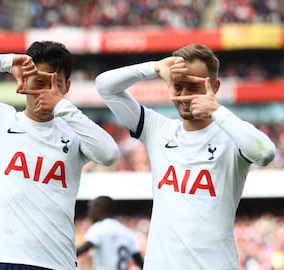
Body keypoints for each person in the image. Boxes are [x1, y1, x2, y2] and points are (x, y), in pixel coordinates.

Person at [0, 40, 119, 270]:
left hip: (57, 262)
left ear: (67, 87)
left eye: (55, 85)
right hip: (3, 258)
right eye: (39, 82)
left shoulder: (74, 132)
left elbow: (110, 154)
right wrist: (6, 61)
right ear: (24, 81)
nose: (45, 92)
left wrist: (62, 106)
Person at [95, 43, 276, 269]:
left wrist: (216, 111)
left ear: (215, 87)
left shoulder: (231, 135)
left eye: (194, 86)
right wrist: (154, 68)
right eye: (178, 86)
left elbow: (265, 153)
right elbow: (105, 87)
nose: (185, 95)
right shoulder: (157, 129)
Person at [76, 196, 144, 270]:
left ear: (100, 208)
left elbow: (80, 251)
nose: (89, 213)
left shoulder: (98, 228)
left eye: (91, 208)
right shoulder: (127, 232)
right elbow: (140, 262)